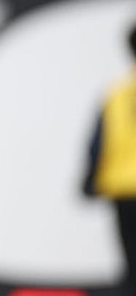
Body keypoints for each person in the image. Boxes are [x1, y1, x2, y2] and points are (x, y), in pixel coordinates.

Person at [83, 22, 136, 296]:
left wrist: (89, 178)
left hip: (124, 189)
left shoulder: (117, 92)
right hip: (124, 188)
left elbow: (98, 141)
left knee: (131, 267)